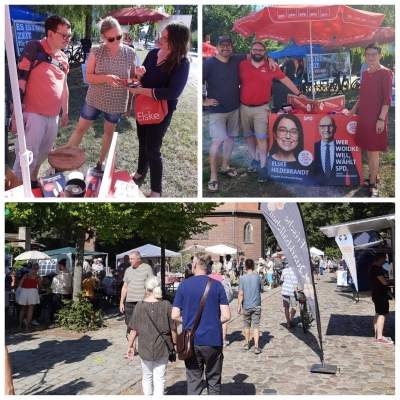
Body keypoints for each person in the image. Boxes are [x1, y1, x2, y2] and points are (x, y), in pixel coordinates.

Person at [125, 22, 191, 198]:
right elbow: (141, 78)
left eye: (164, 38)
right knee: (142, 141)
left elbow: (173, 92)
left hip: (161, 110)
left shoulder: (182, 63)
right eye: (160, 36)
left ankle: (156, 191)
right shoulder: (153, 53)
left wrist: (142, 91)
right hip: (142, 106)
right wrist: (139, 74)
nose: (159, 40)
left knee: (153, 148)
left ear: (177, 42)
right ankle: (140, 172)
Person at [203, 35, 276, 193]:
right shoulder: (209, 64)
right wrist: (203, 101)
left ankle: (225, 167)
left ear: (232, 48)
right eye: (222, 45)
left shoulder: (236, 59)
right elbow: (197, 82)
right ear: (217, 47)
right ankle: (213, 177)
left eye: (228, 45)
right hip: (217, 110)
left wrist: (269, 58)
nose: (225, 48)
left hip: (235, 108)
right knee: (217, 143)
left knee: (230, 139)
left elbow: (256, 53)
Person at [67, 16, 136, 171]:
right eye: (112, 39)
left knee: (108, 132)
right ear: (104, 38)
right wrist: (105, 78)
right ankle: (66, 157)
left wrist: (129, 103)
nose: (117, 41)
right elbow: (89, 77)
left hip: (117, 101)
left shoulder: (130, 53)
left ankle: (101, 162)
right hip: (95, 98)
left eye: (119, 36)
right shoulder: (97, 51)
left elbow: (131, 80)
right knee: (80, 129)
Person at [11, 14, 70, 187]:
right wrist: (16, 115)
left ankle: (33, 181)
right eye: (64, 35)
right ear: (50, 34)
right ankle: (15, 192)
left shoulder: (64, 58)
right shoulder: (33, 48)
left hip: (53, 117)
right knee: (26, 157)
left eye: (69, 36)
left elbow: (64, 86)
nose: (68, 39)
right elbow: (18, 83)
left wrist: (65, 111)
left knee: (43, 154)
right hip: (33, 114)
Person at [238, 41, 307, 183]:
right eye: (255, 49)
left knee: (261, 137)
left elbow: (286, 80)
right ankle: (255, 160)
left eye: (261, 50)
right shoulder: (241, 64)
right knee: (249, 136)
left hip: (262, 107)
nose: (258, 52)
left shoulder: (271, 66)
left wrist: (299, 94)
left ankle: (263, 166)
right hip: (243, 106)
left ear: (265, 52)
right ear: (250, 50)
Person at [171, 251, 231, 395]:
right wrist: (213, 321)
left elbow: (175, 315)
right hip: (213, 340)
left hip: (191, 340)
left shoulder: (184, 285)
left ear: (195, 265)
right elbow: (227, 315)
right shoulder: (217, 285)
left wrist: (188, 323)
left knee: (194, 382)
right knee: (214, 381)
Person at [349, 44, 392, 198]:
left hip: (377, 116)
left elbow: (387, 99)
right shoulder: (366, 73)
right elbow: (362, 95)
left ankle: (373, 183)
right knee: (367, 147)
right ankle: (373, 176)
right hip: (364, 116)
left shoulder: (385, 73)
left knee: (373, 151)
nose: (370, 57)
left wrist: (381, 119)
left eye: (374, 54)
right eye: (368, 54)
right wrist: (354, 110)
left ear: (380, 55)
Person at [127, 276, 178, 395]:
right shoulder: (166, 305)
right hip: (163, 347)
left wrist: (130, 346)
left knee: (147, 376)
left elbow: (133, 330)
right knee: (159, 378)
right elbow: (173, 329)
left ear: (146, 289)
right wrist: (175, 344)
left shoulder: (140, 305)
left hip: (144, 346)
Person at [120, 251, 153, 356]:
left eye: (132, 259)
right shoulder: (128, 270)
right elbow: (125, 287)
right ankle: (131, 349)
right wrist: (122, 302)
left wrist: (151, 299)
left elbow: (151, 285)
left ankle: (145, 348)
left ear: (138, 259)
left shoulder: (147, 268)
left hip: (142, 302)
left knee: (144, 326)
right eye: (129, 259)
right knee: (130, 326)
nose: (130, 261)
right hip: (130, 301)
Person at [313, 115, 360, 186]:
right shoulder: (313, 147)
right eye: (323, 126)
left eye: (330, 126)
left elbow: (353, 174)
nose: (326, 129)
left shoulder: (344, 148)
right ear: (319, 129)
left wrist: (355, 186)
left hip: (339, 185)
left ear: (335, 129)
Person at [237, 259, 264, 354]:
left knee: (246, 324)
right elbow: (261, 290)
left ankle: (247, 343)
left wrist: (239, 305)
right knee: (256, 325)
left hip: (246, 305)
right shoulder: (258, 277)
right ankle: (256, 346)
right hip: (256, 304)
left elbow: (240, 293)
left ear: (245, 266)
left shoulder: (242, 278)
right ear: (253, 266)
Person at [368, 252, 394, 344]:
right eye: (384, 260)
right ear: (381, 259)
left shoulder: (371, 267)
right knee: (382, 314)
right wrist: (390, 281)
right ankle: (379, 337)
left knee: (378, 313)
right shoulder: (376, 269)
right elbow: (384, 282)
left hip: (375, 293)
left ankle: (377, 334)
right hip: (380, 294)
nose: (384, 263)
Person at [18, 263, 42, 330]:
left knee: (23, 309)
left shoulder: (26, 275)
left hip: (25, 290)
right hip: (33, 291)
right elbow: (40, 287)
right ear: (38, 269)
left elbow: (20, 284)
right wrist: (39, 290)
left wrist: (25, 287)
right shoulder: (38, 277)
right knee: (31, 310)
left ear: (31, 268)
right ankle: (27, 326)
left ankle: (20, 325)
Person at [281, 263, 298, 328]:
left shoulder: (284, 270)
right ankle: (291, 319)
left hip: (285, 291)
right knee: (294, 306)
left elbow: (282, 280)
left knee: (286, 307)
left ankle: (288, 323)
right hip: (293, 291)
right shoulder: (296, 270)